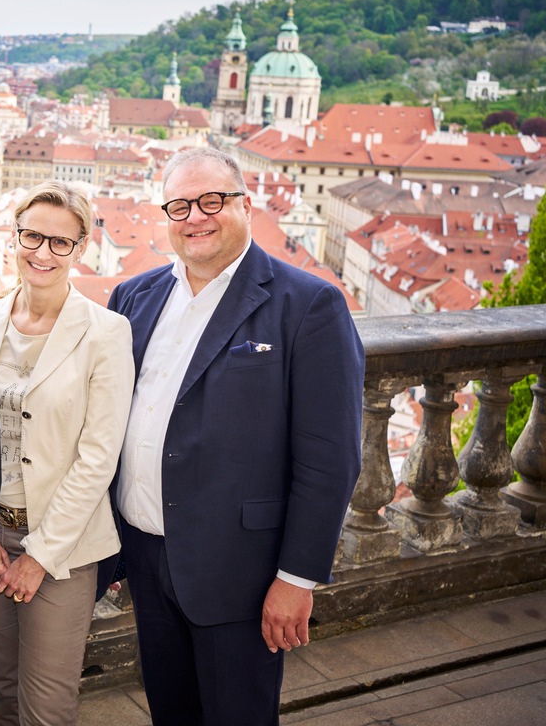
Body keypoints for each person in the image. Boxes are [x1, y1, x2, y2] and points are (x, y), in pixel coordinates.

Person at [107, 147, 363, 725]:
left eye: (211, 201)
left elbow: (331, 458)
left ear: (245, 205)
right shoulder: (134, 298)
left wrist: (297, 578)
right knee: (171, 712)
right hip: (147, 554)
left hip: (241, 570)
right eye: (179, 205)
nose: (195, 216)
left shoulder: (308, 305)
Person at [0, 182, 133, 725]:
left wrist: (39, 554)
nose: (42, 252)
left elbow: (98, 456)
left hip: (63, 545)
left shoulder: (106, 333)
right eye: (32, 236)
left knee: (46, 706)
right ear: (13, 236)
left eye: (60, 242)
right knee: (1, 692)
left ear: (81, 248)